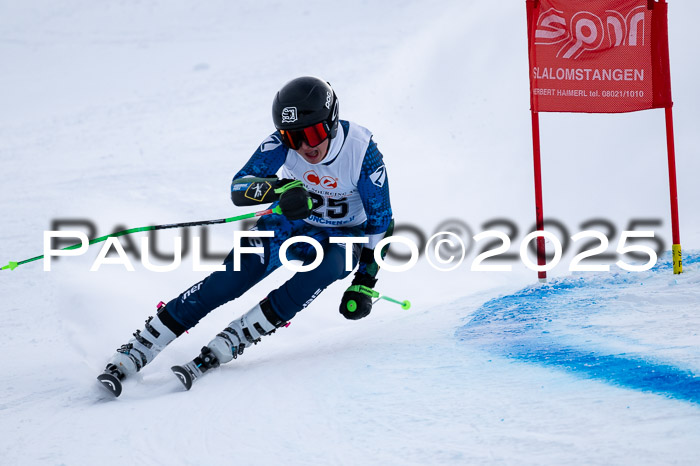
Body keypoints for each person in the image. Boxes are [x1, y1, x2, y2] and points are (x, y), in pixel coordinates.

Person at [98, 76, 394, 395]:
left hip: (344, 234)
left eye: (314, 132)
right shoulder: (280, 143)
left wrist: (364, 282)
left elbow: (381, 220)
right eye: (294, 137)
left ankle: (238, 336)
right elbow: (240, 188)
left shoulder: (361, 151)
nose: (307, 145)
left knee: (324, 270)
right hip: (290, 225)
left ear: (332, 122)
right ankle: (141, 346)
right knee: (226, 283)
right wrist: (280, 188)